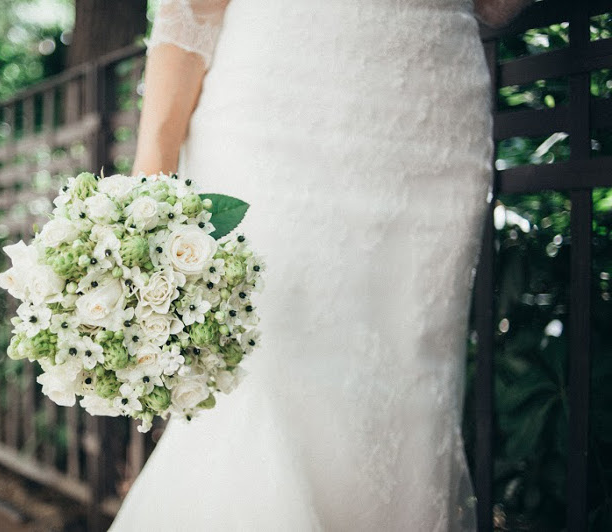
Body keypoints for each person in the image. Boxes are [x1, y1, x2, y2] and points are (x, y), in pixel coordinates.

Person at [109, 0, 531, 530]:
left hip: (431, 117)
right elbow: (190, 9)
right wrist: (148, 187)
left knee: (409, 397)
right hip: (277, 104)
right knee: (268, 376)